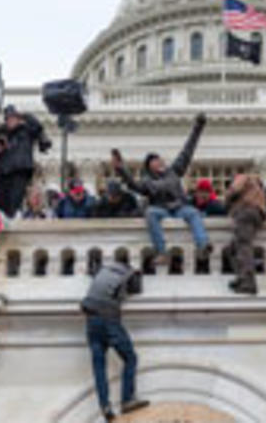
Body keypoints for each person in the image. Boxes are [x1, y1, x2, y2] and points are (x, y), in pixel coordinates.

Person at [113, 113, 211, 263]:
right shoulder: (147, 182)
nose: (159, 162)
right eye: (154, 161)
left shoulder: (174, 171)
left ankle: (203, 244)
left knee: (193, 213)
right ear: (149, 167)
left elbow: (188, 151)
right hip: (161, 209)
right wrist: (121, 169)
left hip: (179, 207)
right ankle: (161, 251)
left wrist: (198, 127)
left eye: (159, 159)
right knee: (151, 213)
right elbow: (133, 185)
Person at [80, 261, 150, 421]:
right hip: (109, 320)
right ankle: (127, 400)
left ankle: (105, 406)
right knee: (130, 358)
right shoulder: (129, 274)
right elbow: (136, 289)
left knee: (99, 366)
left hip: (91, 320)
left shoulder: (103, 269)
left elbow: (91, 271)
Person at [0, 105, 52, 218]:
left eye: (13, 118)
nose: (11, 121)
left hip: (20, 171)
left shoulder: (27, 131)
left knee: (14, 203)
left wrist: (24, 114)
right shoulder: (1, 134)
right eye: (8, 118)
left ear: (19, 119)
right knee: (0, 205)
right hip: (2, 173)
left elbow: (38, 127)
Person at [225, 173, 266, 295]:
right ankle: (241, 277)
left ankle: (247, 282)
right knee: (233, 248)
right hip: (256, 214)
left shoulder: (244, 177)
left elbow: (234, 190)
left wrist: (227, 200)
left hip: (246, 211)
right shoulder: (258, 187)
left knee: (244, 246)